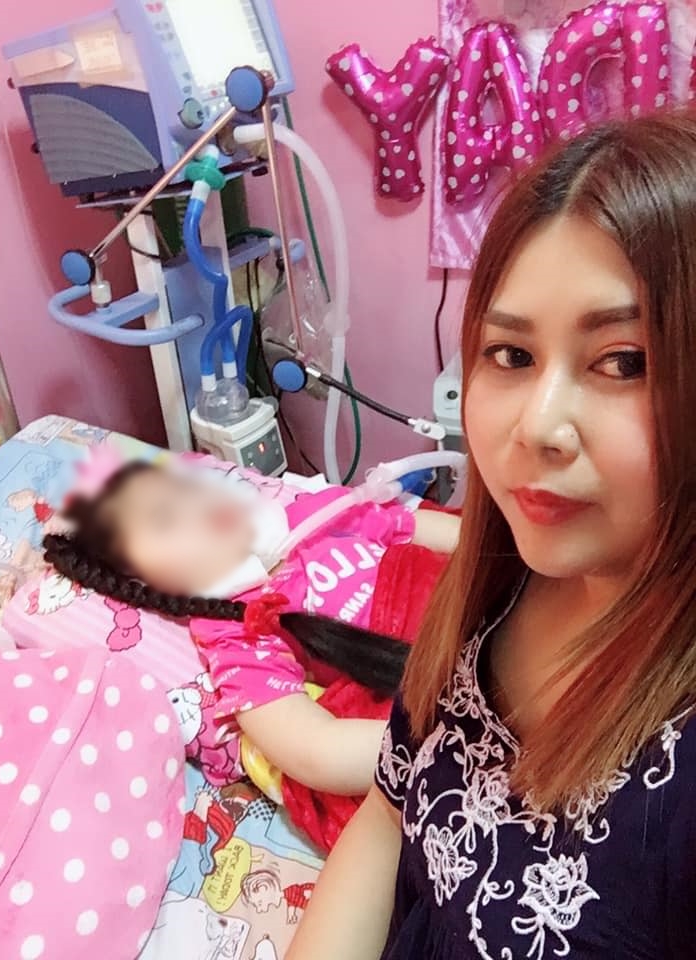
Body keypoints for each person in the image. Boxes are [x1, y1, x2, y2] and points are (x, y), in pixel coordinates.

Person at [285, 110, 696, 960]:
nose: (536, 427)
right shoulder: (504, 580)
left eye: (624, 361)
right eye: (511, 355)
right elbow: (390, 810)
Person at [42, 454, 460, 800]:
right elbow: (315, 750)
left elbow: (447, 536)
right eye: (165, 521)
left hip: (477, 602)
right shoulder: (236, 629)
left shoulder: (316, 515)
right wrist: (451, 743)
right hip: (449, 682)